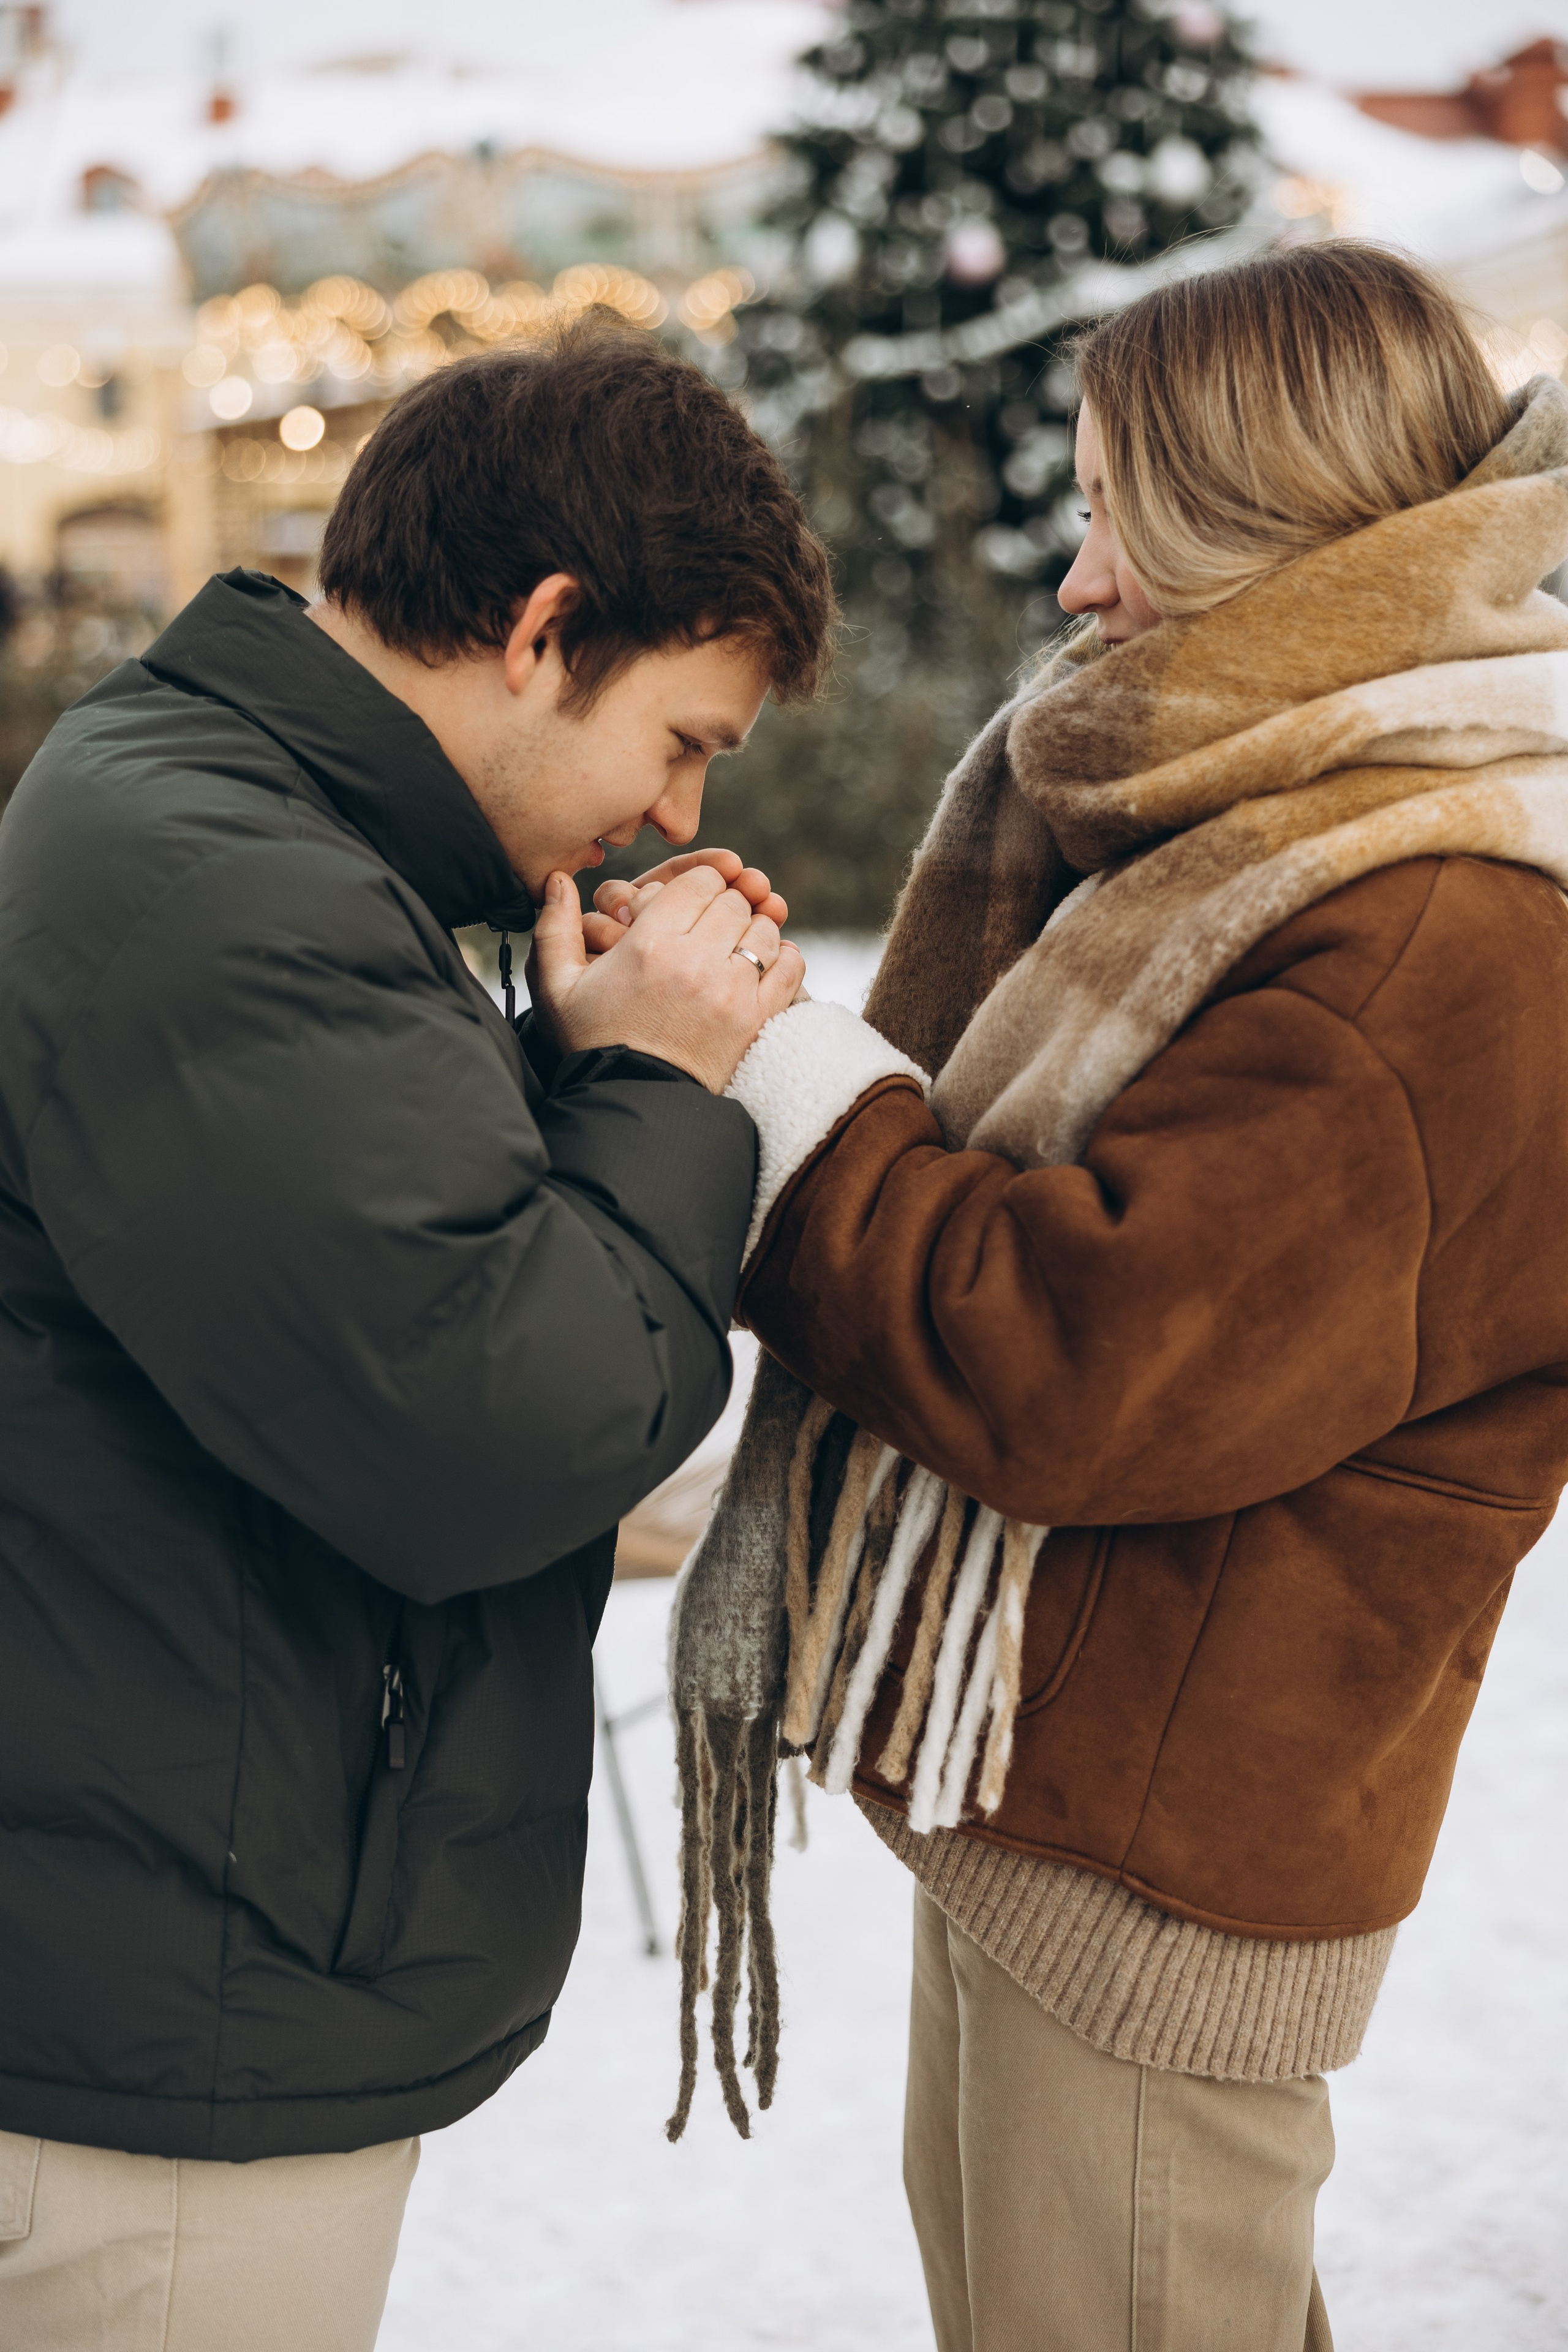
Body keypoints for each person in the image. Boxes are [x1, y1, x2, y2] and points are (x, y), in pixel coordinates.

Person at [664, 241, 1568, 2349]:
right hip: (1055, 1782)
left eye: (1114, 515)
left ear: (1256, 523)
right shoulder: (1292, 821)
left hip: (1171, 1837)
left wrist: (790, 1086)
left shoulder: (1437, 921)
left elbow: (1082, 1364)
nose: (1077, 586)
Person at [0, 320, 834, 2346]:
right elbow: (500, 1428)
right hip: (172, 2021)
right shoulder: (236, 882)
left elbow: (362, 1282)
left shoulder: (258, 831)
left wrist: (567, 1065)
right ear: (546, 631)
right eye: (685, 736)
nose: (670, 813)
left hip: (178, 1923)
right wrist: (658, 1092)